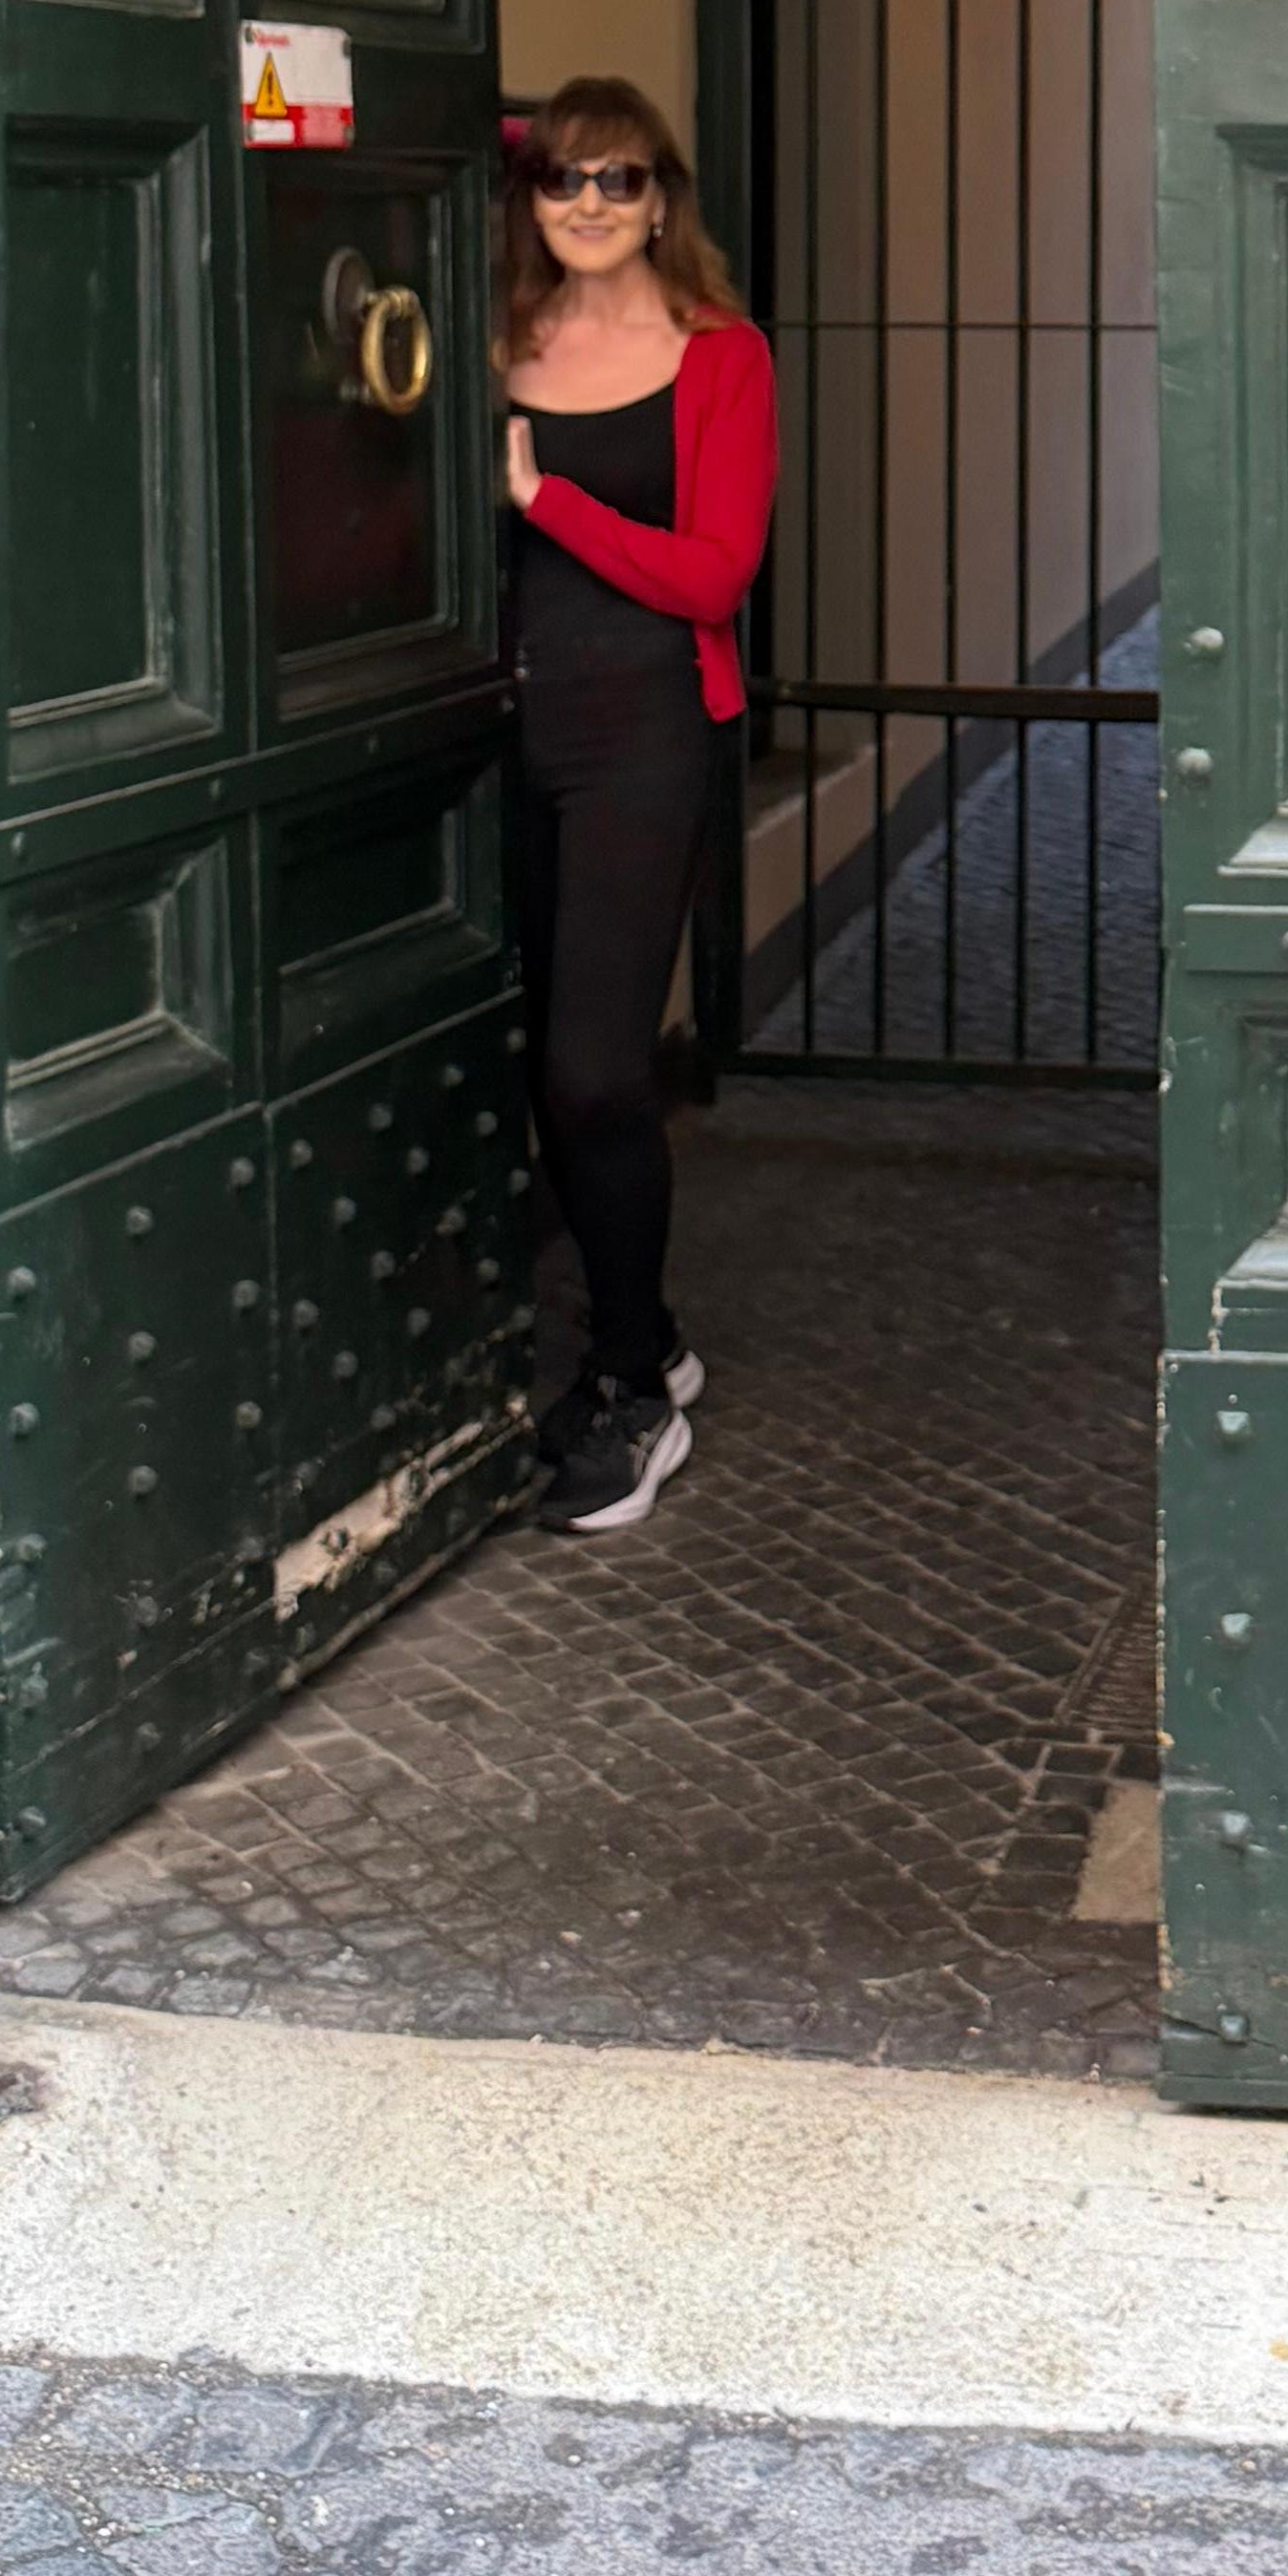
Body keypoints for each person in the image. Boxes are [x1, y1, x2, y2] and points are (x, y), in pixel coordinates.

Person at [497, 76, 777, 1535]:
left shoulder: (721, 357)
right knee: (539, 1064)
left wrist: (548, 502)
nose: (589, 205)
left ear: (663, 195)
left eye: (619, 180)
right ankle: (648, 1336)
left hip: (645, 735)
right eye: (561, 179)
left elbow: (714, 574)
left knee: (600, 1072)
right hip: (501, 737)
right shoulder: (498, 342)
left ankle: (635, 1391)